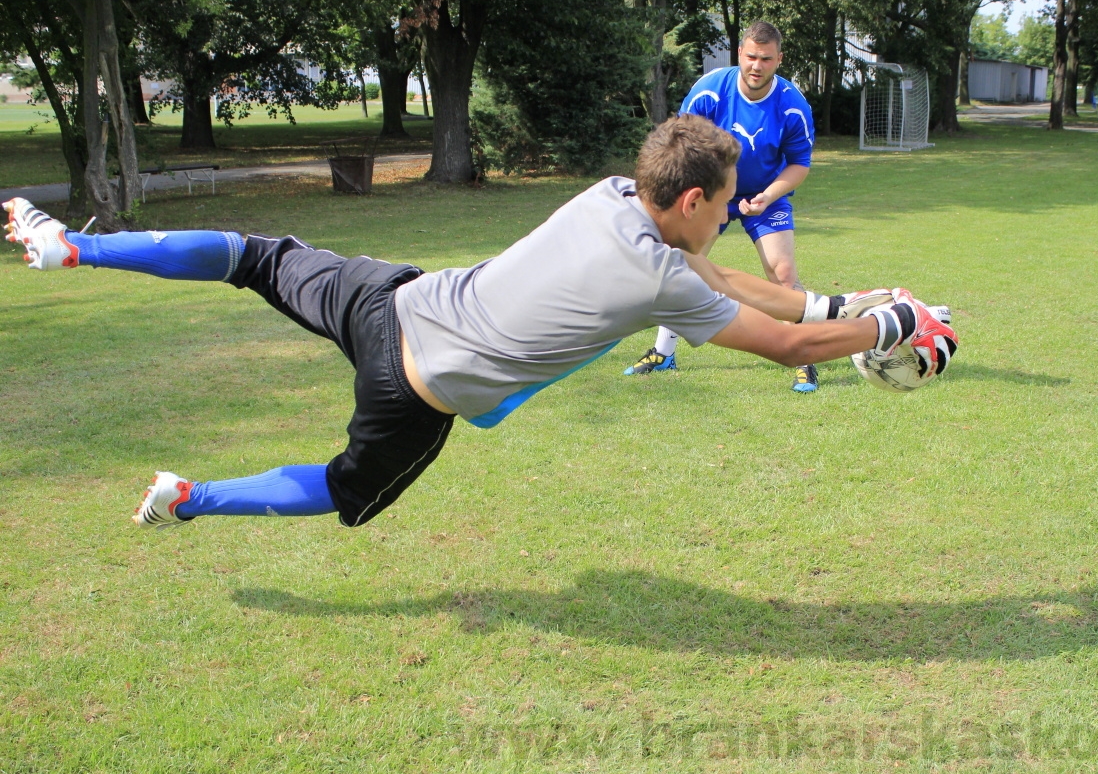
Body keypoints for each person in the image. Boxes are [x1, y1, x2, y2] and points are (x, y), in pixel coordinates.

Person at [3, 116, 956, 530]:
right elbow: (782, 342)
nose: (736, 218)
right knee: (344, 489)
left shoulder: (614, 194)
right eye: (730, 205)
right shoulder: (658, 281)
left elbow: (749, 290)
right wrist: (897, 327)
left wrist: (852, 303)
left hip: (388, 297)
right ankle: (189, 496)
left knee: (253, 254)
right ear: (696, 197)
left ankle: (76, 249)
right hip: (413, 389)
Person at [625, 21, 821, 393]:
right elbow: (682, 145)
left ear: (778, 59)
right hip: (713, 194)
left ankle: (803, 357)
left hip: (766, 197)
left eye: (766, 58)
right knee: (682, 267)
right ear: (739, 55)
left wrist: (768, 195)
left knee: (782, 273)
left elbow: (800, 164)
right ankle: (664, 352)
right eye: (750, 56)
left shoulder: (793, 105)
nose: (756, 66)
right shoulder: (710, 91)